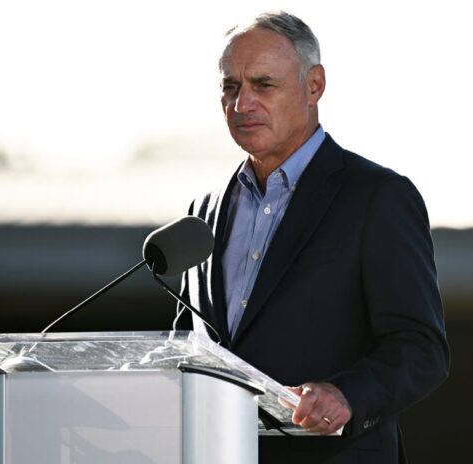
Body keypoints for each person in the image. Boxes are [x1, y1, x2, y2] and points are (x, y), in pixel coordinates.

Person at [179, 10, 450, 464]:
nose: (241, 104)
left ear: (314, 86)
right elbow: (190, 347)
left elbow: (421, 349)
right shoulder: (202, 213)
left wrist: (346, 394)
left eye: (263, 84)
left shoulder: (377, 197)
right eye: (230, 86)